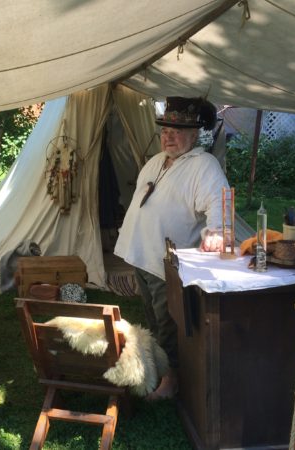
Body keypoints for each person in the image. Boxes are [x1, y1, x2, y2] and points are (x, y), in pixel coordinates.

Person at [114, 96, 229, 400]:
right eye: (166, 130)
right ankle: (160, 369)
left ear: (194, 134)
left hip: (167, 261)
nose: (169, 136)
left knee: (169, 323)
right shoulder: (156, 160)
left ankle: (173, 380)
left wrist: (216, 231)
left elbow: (219, 201)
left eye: (177, 131)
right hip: (141, 254)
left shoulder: (204, 165)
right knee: (152, 317)